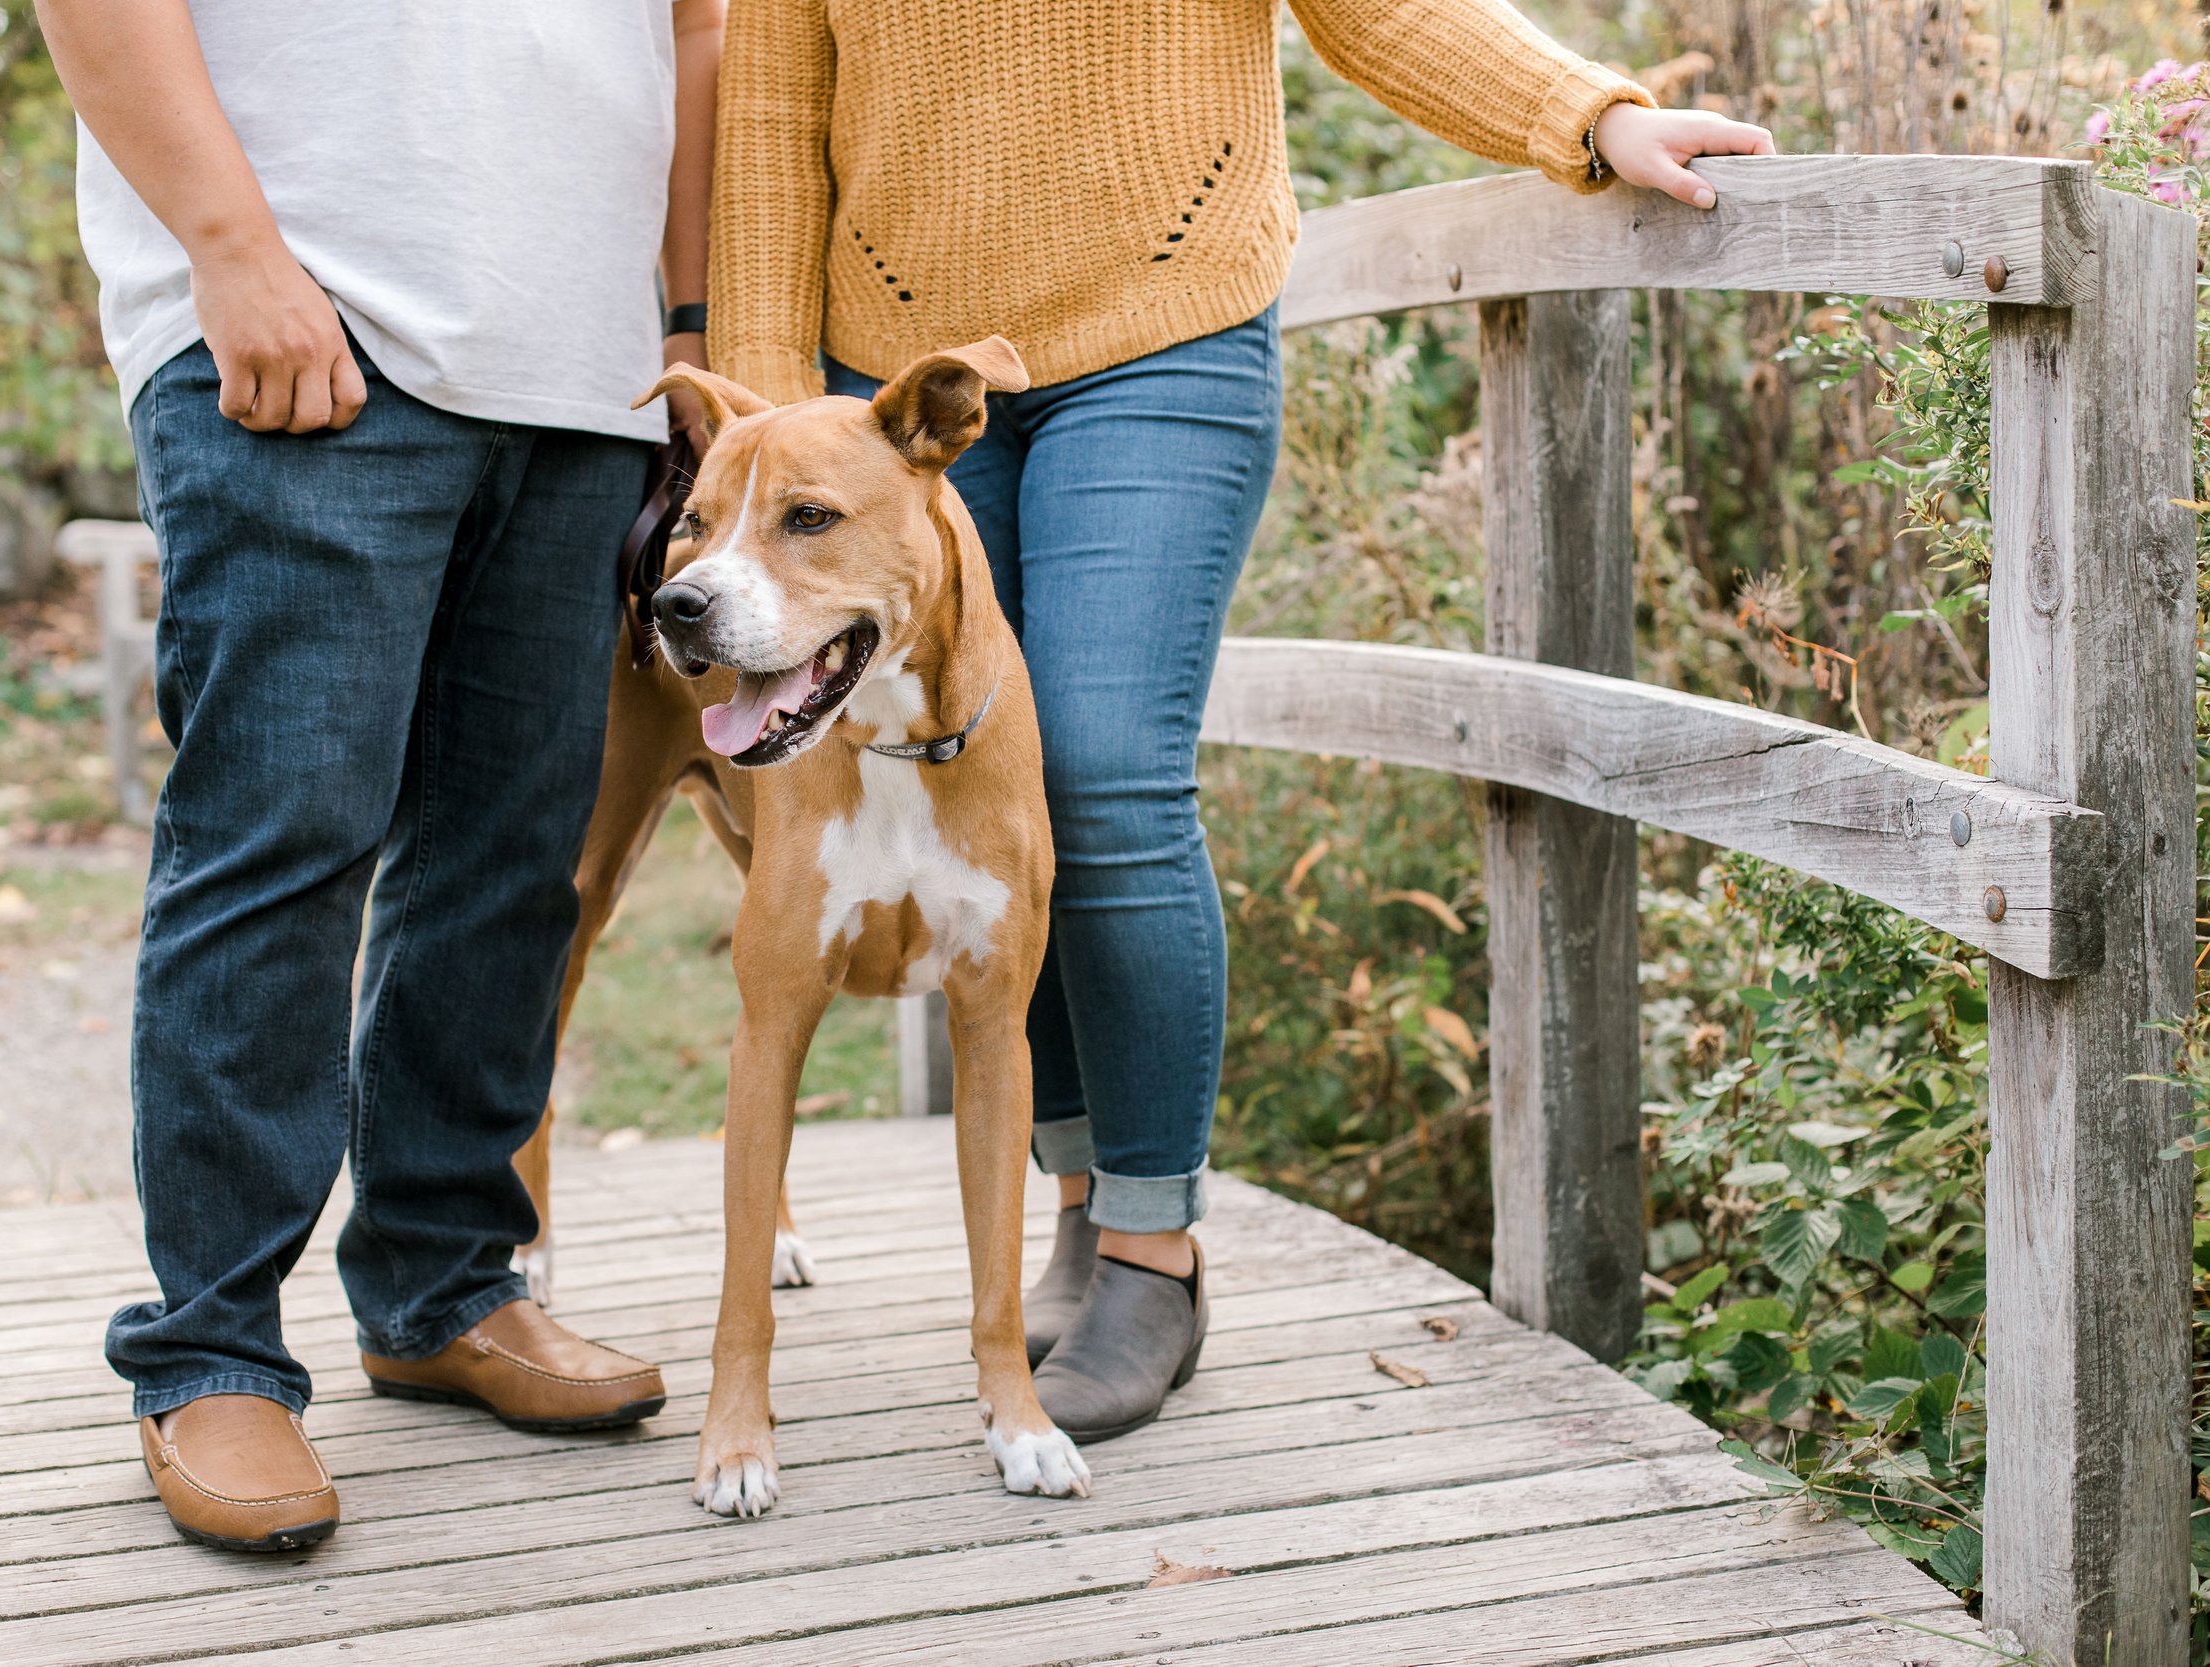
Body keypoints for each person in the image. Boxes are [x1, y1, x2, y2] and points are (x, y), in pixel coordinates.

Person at [709, 0, 1772, 1442]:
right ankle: (1078, 1203)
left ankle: (1154, 1252)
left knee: (1098, 768)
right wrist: (771, 443)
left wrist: (1588, 116)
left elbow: (1382, 9)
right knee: (986, 789)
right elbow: (770, 143)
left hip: (1162, 337)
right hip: (888, 386)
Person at [37, 0, 724, 1550]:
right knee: (281, 838)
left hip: (580, 379)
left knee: (510, 853)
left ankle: (440, 1288)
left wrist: (682, 324)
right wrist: (229, 250)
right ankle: (211, 1348)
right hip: (310, 327)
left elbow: (696, 30)